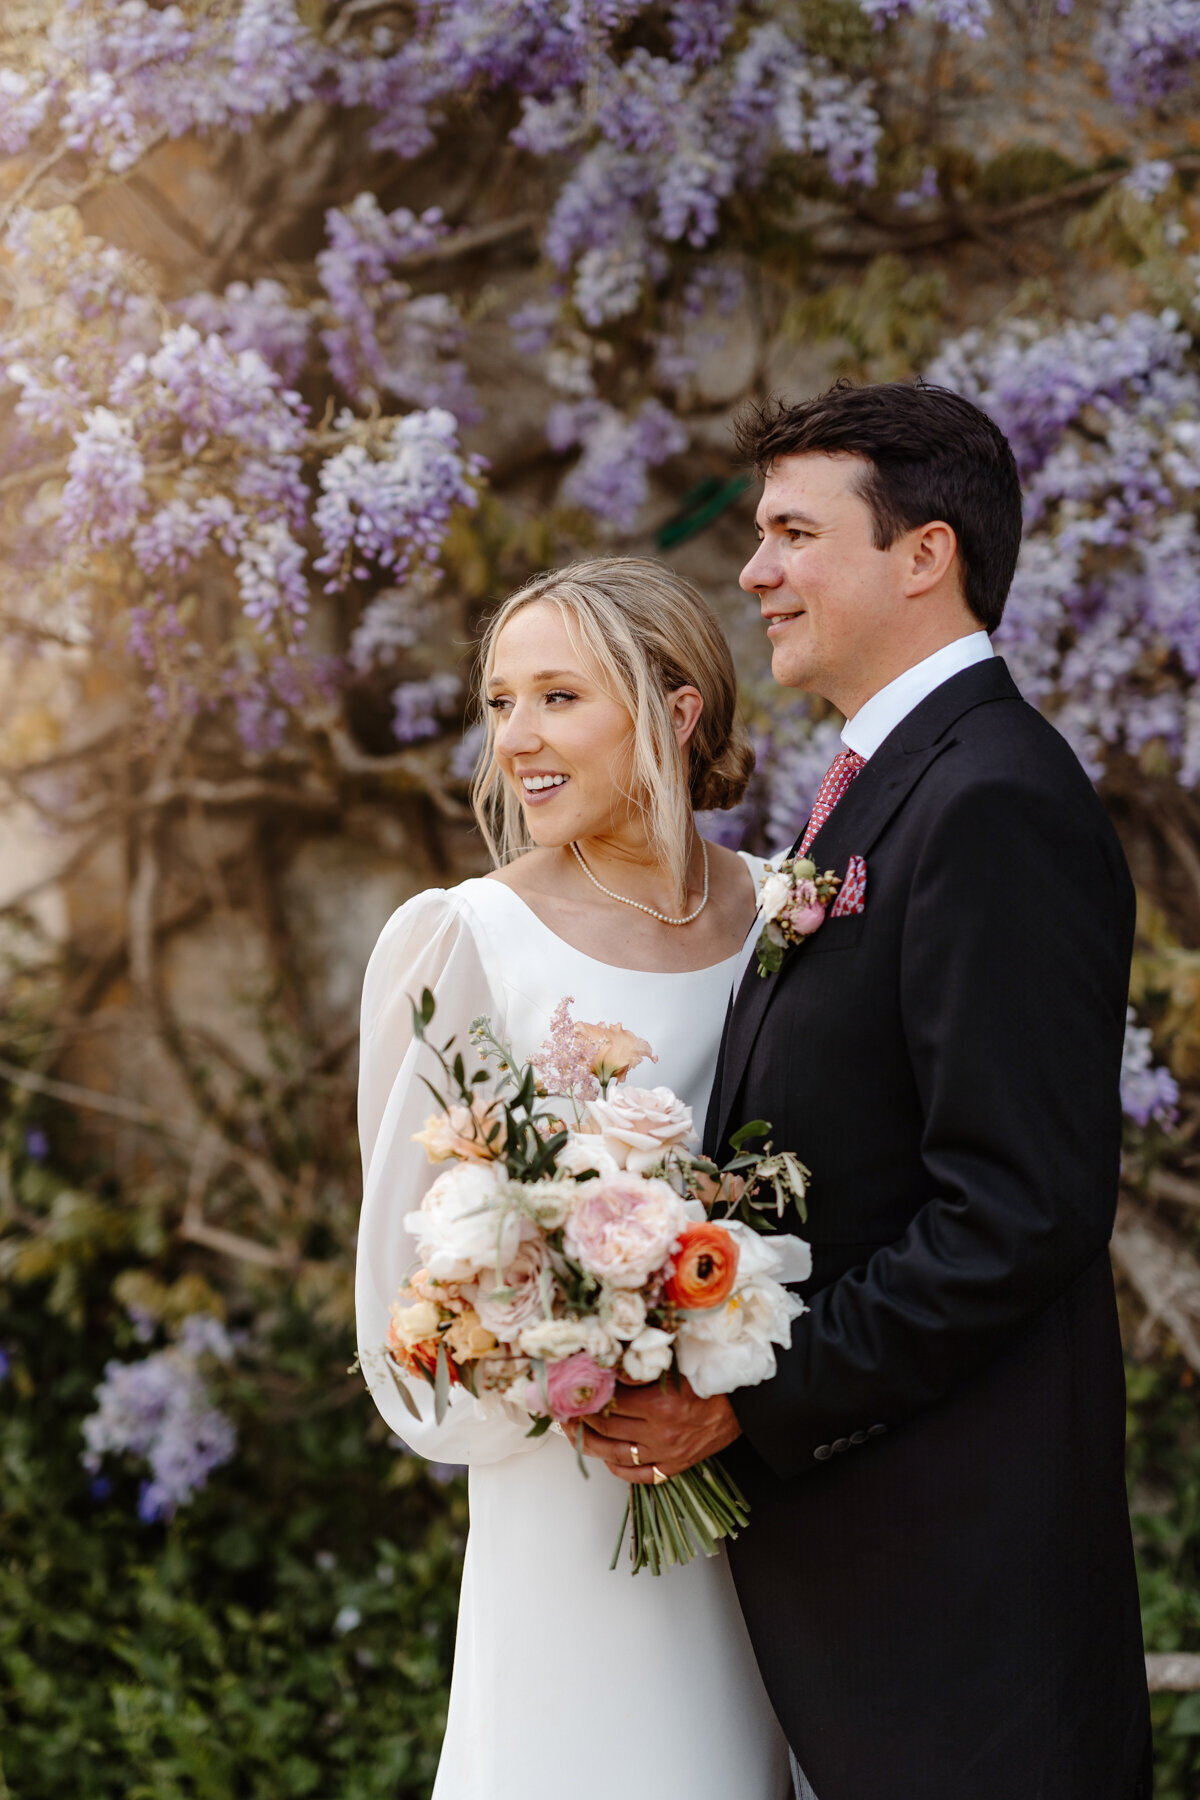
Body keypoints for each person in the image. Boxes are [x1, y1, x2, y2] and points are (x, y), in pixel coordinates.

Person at [582, 382, 1153, 1800]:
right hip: (876, 1595)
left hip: (963, 1613)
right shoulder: (880, 790)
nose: (754, 571)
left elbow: (1017, 1211)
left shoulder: (991, 799)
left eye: (791, 532)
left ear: (925, 553)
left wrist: (748, 1395)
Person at [355, 558, 794, 1800]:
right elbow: (413, 1260)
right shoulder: (464, 935)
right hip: (574, 1475)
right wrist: (576, 1355)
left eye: (558, 696)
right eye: (500, 703)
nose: (517, 741)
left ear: (675, 707)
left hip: (769, 1461)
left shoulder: (782, 915)